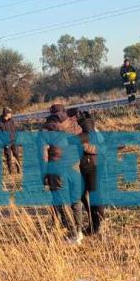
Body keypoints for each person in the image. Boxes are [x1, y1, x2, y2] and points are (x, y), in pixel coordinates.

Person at [41, 104, 85, 244]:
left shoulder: (45, 130)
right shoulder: (73, 125)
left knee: (62, 202)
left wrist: (44, 175)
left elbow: (43, 155)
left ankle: (72, 234)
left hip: (57, 168)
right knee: (76, 199)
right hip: (74, 165)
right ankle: (78, 231)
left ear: (51, 114)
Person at [77, 111, 105, 235]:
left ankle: (97, 226)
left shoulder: (87, 130)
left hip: (90, 165)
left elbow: (88, 144)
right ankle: (96, 224)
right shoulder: (95, 130)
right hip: (96, 164)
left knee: (93, 196)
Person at [0, 106, 21, 174]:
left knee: (16, 154)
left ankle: (19, 169)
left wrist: (16, 136)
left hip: (14, 140)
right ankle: (10, 171)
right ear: (6, 114)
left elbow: (16, 128)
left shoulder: (12, 119)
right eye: (10, 113)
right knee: (8, 156)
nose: (11, 114)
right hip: (6, 142)